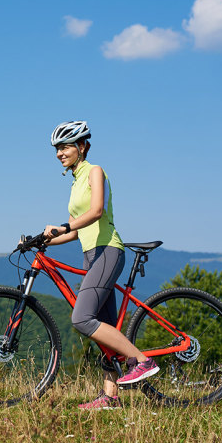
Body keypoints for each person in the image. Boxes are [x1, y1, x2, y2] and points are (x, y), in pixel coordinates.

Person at [42, 121, 159, 410]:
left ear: (82, 147)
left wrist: (63, 225)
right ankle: (110, 397)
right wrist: (43, 241)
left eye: (66, 146)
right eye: (57, 148)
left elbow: (95, 212)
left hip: (108, 251)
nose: (60, 153)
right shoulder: (74, 182)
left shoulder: (95, 172)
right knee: (104, 326)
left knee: (81, 319)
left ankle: (142, 361)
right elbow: (75, 232)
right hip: (90, 253)